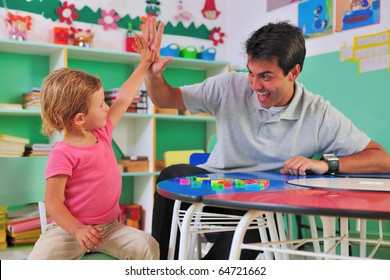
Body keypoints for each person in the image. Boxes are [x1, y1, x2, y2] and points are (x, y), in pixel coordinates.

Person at [142, 17, 390, 260]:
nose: (254, 84)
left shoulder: (317, 113)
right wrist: (153, 76)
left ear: (294, 72)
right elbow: (166, 99)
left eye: (266, 76)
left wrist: (327, 164)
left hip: (258, 206)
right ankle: (162, 265)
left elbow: (381, 159)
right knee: (170, 176)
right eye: (251, 73)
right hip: (216, 187)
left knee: (252, 230)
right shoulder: (229, 85)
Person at [28, 35, 159, 260]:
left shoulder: (102, 132)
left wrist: (145, 63)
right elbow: (53, 202)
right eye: (100, 105)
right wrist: (77, 229)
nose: (107, 107)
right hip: (68, 231)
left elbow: (125, 97)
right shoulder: (62, 154)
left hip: (110, 228)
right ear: (79, 119)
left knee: (148, 245)